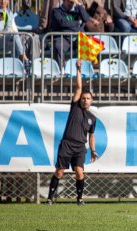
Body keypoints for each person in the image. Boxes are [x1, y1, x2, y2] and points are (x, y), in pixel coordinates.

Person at [46, 60, 99, 205]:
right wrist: (79, 70)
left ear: (91, 101)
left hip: (80, 147)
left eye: (88, 98)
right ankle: (50, 198)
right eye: (83, 98)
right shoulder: (75, 107)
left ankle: (79, 199)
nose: (85, 100)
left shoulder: (92, 119)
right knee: (59, 172)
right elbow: (79, 86)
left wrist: (93, 150)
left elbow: (91, 135)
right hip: (67, 144)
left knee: (80, 172)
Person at [49, 0, 99, 68]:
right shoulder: (56, 11)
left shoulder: (77, 10)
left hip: (77, 37)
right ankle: (61, 71)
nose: (71, 3)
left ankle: (86, 69)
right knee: (58, 46)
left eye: (72, 2)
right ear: (63, 1)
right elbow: (62, 23)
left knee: (88, 44)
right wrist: (78, 23)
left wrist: (78, 4)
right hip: (63, 37)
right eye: (69, 1)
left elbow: (86, 18)